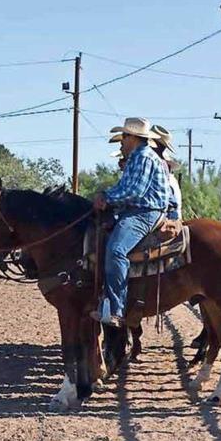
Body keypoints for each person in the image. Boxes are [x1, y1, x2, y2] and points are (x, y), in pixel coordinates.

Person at [91, 117, 169, 328]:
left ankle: (116, 309)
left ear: (134, 137)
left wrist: (105, 197)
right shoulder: (139, 157)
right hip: (138, 210)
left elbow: (135, 191)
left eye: (124, 136)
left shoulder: (143, 157)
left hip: (144, 212)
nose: (121, 141)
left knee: (116, 249)